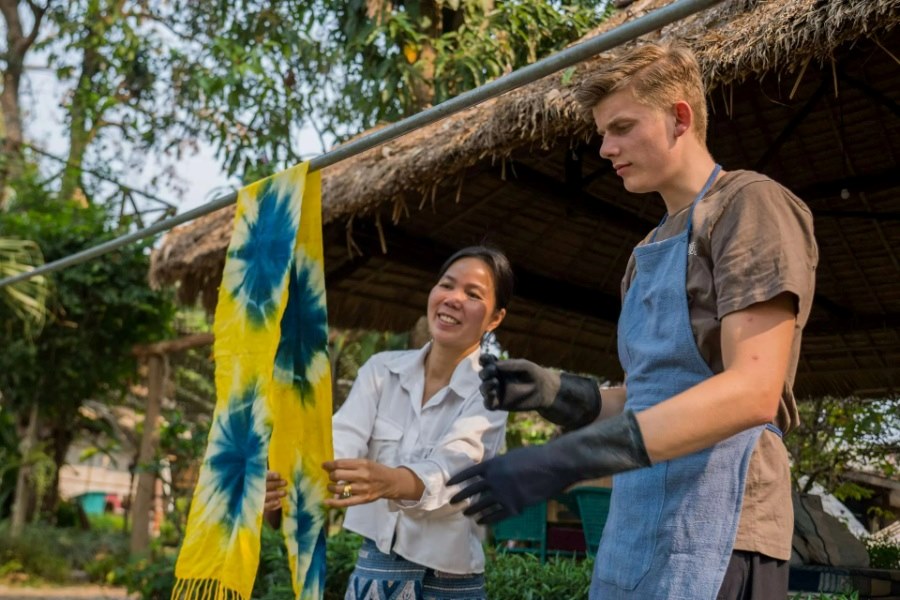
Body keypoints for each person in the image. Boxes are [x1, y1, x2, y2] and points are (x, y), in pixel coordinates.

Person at [448, 43, 817, 600]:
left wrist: (561, 462)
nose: (605, 148)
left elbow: (751, 391)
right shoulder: (644, 252)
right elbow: (654, 394)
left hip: (722, 524)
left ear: (680, 118)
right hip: (640, 518)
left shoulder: (750, 205)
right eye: (602, 132)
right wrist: (559, 393)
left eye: (621, 127)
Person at [265, 245, 513, 600]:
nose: (453, 299)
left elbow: (458, 471)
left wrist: (392, 481)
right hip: (373, 575)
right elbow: (339, 444)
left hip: (450, 584)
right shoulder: (381, 370)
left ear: (495, 319)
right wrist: (290, 484)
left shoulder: (494, 390)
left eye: (473, 294)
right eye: (447, 285)